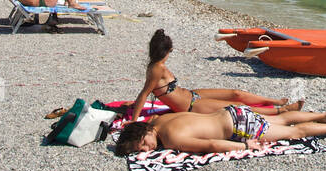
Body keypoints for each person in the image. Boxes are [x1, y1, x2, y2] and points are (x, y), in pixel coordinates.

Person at [127, 31, 297, 121]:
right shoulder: (157, 68)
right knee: (236, 105)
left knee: (236, 93)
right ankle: (280, 110)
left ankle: (272, 101)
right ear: (164, 51)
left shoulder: (158, 65)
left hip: (191, 94)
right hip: (190, 106)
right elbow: (144, 94)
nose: (170, 54)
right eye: (170, 51)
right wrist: (134, 120)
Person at [114, 106, 326, 156]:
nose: (147, 150)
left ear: (143, 133)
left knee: (294, 133)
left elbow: (212, 145)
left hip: (240, 128)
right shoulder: (159, 120)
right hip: (232, 112)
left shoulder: (171, 139)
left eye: (143, 145)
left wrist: (245, 146)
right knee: (277, 118)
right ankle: (324, 115)